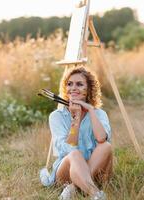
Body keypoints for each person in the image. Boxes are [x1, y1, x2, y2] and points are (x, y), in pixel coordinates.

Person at [44, 66, 113, 200]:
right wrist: (75, 119)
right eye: (69, 84)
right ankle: (96, 195)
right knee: (74, 154)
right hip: (66, 171)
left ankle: (74, 187)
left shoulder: (100, 114)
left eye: (79, 84)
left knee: (106, 146)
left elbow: (102, 138)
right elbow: (68, 149)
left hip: (96, 167)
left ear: (89, 90)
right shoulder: (56, 116)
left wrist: (91, 111)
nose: (73, 88)